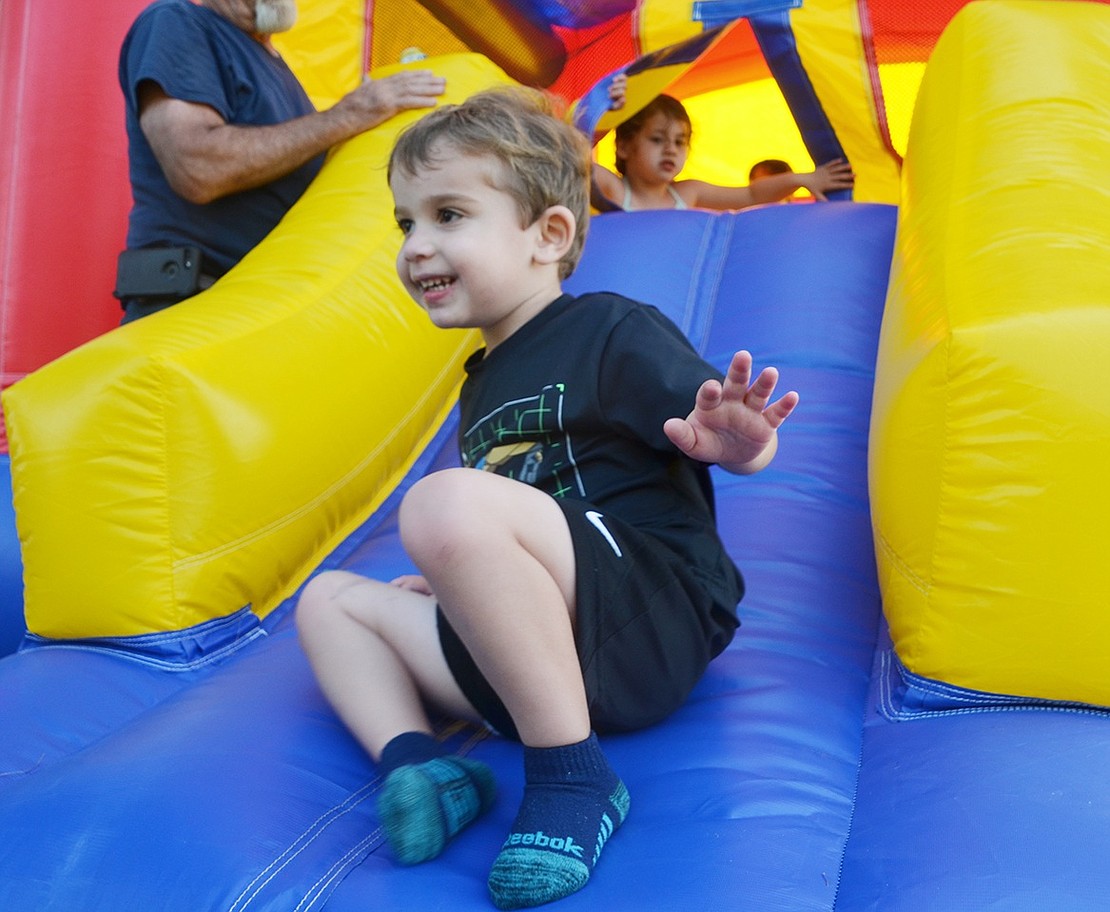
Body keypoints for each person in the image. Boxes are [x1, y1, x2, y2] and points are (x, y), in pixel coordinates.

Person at [295, 88, 799, 910]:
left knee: (440, 503)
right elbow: (506, 515)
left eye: (448, 214)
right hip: (541, 660)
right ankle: (424, 768)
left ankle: (574, 778)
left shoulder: (607, 328)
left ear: (549, 235)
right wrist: (462, 579)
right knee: (331, 602)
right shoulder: (479, 383)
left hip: (648, 619)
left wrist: (745, 443)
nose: (417, 246)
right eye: (405, 223)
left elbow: (723, 422)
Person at [116, 0, 445, 322]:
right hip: (192, 308)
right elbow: (198, 169)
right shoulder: (176, 20)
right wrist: (349, 115)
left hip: (261, 314)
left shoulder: (278, 69)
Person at [591, 91, 853, 212]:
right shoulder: (615, 190)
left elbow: (751, 194)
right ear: (624, 146)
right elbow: (570, 152)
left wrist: (804, 179)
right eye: (657, 140)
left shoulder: (687, 193)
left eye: (680, 142)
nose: (671, 150)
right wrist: (608, 109)